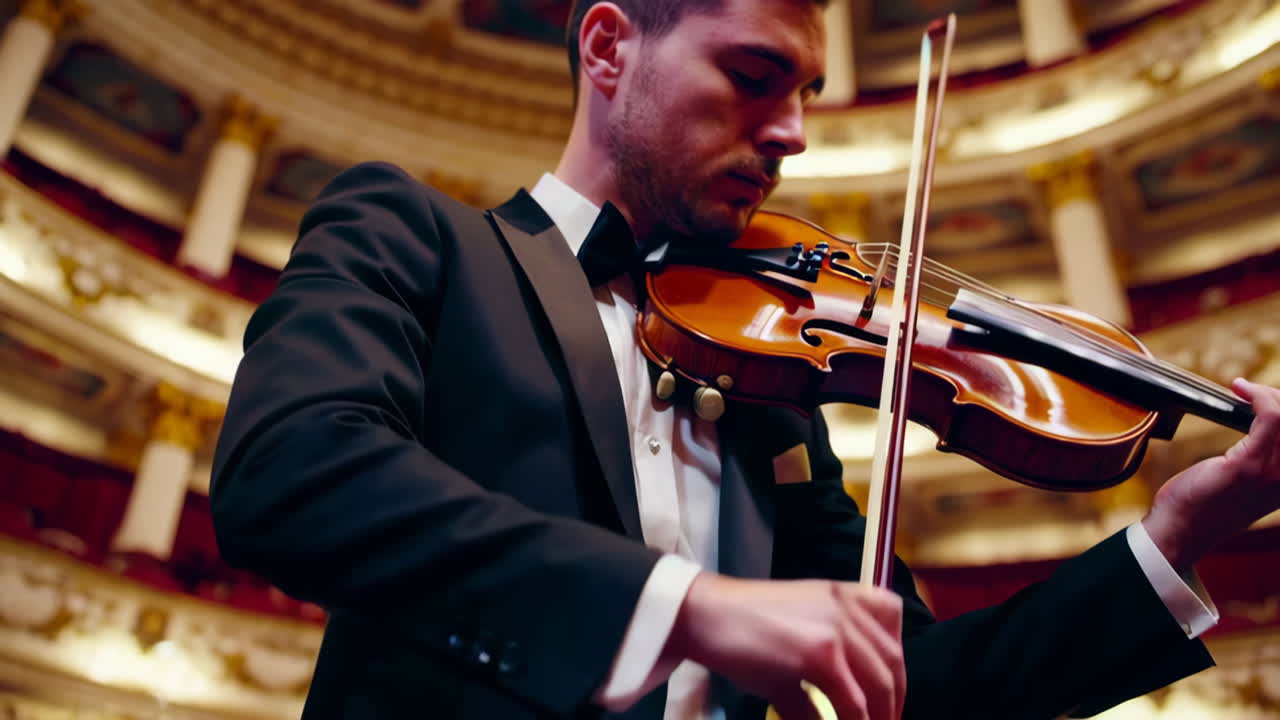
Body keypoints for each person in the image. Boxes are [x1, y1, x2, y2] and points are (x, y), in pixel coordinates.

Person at [209, 0, 1280, 718]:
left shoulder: (768, 393)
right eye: (755, 75)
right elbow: (291, 473)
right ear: (607, 49)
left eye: (806, 90)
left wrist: (1175, 536)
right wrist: (688, 605)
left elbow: (919, 688)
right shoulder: (414, 236)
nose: (794, 133)